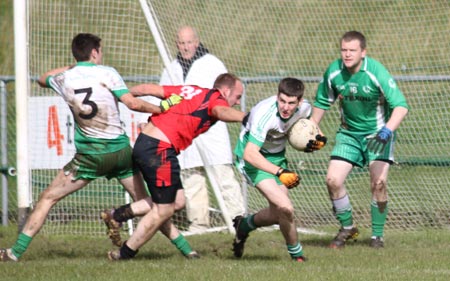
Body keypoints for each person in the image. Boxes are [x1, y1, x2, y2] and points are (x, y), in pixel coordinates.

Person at [0, 33, 184, 262]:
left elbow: (42, 78)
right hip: (120, 153)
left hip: (89, 157)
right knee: (152, 206)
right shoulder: (107, 73)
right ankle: (188, 250)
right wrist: (161, 108)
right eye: (100, 51)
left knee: (48, 198)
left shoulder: (65, 78)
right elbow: (133, 103)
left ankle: (15, 252)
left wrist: (75, 65)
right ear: (95, 52)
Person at [105, 73, 246, 260]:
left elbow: (148, 89)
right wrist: (248, 118)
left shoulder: (192, 91)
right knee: (163, 209)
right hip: (158, 150)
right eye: (237, 97)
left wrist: (120, 94)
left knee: (178, 201)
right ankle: (124, 253)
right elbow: (222, 112)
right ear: (226, 91)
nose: (237, 102)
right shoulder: (216, 99)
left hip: (149, 145)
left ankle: (117, 215)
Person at [310, 31, 409, 249]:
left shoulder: (376, 72)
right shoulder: (333, 72)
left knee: (379, 184)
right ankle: (348, 228)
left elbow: (401, 106)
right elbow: (322, 102)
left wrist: (387, 131)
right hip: (348, 134)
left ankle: (377, 236)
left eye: (352, 50)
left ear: (363, 52)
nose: (347, 55)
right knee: (333, 180)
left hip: (378, 135)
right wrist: (311, 130)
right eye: (343, 50)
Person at [157, 26, 245, 231]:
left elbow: (225, 93)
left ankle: (238, 219)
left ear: (196, 42)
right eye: (181, 43)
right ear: (176, 44)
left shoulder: (212, 64)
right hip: (185, 131)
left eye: (189, 42)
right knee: (191, 179)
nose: (185, 47)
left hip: (210, 129)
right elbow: (166, 97)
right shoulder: (171, 68)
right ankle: (199, 223)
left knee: (223, 176)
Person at [232, 77, 327, 262]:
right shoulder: (264, 114)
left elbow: (310, 124)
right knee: (286, 207)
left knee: (279, 213)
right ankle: (297, 255)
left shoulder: (305, 108)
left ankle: (244, 226)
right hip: (253, 159)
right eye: (282, 101)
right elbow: (250, 153)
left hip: (276, 157)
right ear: (277, 96)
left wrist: (319, 139)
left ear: (299, 102)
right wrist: (280, 172)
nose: (285, 107)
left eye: (291, 103)